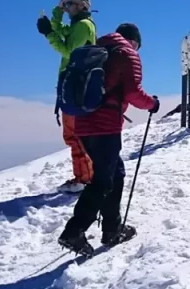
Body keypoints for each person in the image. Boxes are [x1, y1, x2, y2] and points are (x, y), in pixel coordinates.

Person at [58, 23, 160, 255]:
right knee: (103, 181)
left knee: (116, 173)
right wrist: (152, 104)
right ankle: (74, 231)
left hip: (83, 123)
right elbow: (134, 92)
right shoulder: (127, 53)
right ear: (134, 41)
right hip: (105, 126)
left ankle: (112, 228)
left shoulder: (97, 49)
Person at [37, 0, 97, 193]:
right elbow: (60, 29)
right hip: (74, 85)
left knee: (74, 135)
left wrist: (49, 35)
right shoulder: (78, 25)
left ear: (81, 6)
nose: (67, 7)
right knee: (74, 134)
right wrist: (56, 14)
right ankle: (85, 175)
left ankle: (84, 178)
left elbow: (68, 50)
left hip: (75, 87)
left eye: (69, 4)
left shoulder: (82, 26)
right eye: (65, 4)